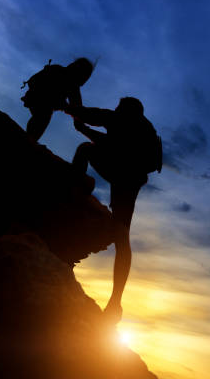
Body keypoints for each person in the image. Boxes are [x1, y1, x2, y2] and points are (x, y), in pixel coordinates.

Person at [65, 97, 161, 323]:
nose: (116, 110)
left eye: (119, 107)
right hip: (131, 179)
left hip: (123, 174)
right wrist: (85, 128)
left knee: (85, 150)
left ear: (124, 109)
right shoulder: (144, 127)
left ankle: (73, 192)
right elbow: (112, 144)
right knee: (122, 237)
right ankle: (116, 301)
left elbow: (89, 115)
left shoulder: (119, 117)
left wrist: (71, 111)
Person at [21, 58, 94, 141]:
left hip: (44, 101)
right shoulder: (57, 70)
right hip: (38, 96)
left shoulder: (73, 87)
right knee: (43, 115)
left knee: (43, 115)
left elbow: (77, 107)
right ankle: (31, 138)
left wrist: (79, 122)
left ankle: (31, 138)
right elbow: (34, 80)